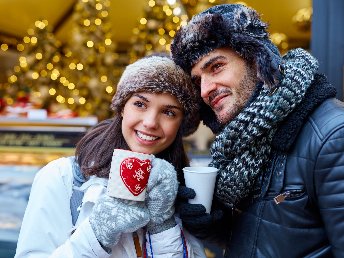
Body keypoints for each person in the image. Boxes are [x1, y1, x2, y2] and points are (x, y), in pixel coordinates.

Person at [171, 3, 344, 257]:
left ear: (255, 58)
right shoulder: (246, 140)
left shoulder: (333, 135)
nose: (205, 89)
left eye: (216, 66)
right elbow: (268, 235)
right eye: (197, 80)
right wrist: (212, 227)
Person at [15, 55, 206, 257]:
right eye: (140, 104)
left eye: (169, 112)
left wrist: (164, 224)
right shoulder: (61, 177)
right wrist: (97, 233)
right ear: (123, 106)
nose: (150, 122)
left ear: (180, 123)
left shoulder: (185, 192)